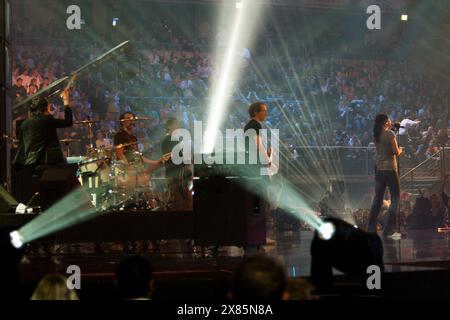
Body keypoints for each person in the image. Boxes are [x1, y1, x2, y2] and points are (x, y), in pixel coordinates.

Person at [367, 113, 403, 237]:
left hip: (379, 169)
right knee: (395, 198)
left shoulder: (376, 135)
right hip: (390, 169)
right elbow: (395, 151)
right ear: (385, 122)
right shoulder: (390, 134)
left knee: (377, 199)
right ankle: (388, 230)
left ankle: (371, 227)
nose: (390, 121)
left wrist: (392, 132)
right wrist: (401, 150)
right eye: (388, 119)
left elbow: (380, 150)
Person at [161, 117, 193, 211]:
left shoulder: (176, 140)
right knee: (177, 202)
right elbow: (174, 156)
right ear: (170, 127)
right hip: (175, 176)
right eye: (176, 125)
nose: (179, 127)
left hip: (181, 176)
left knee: (185, 202)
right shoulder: (168, 140)